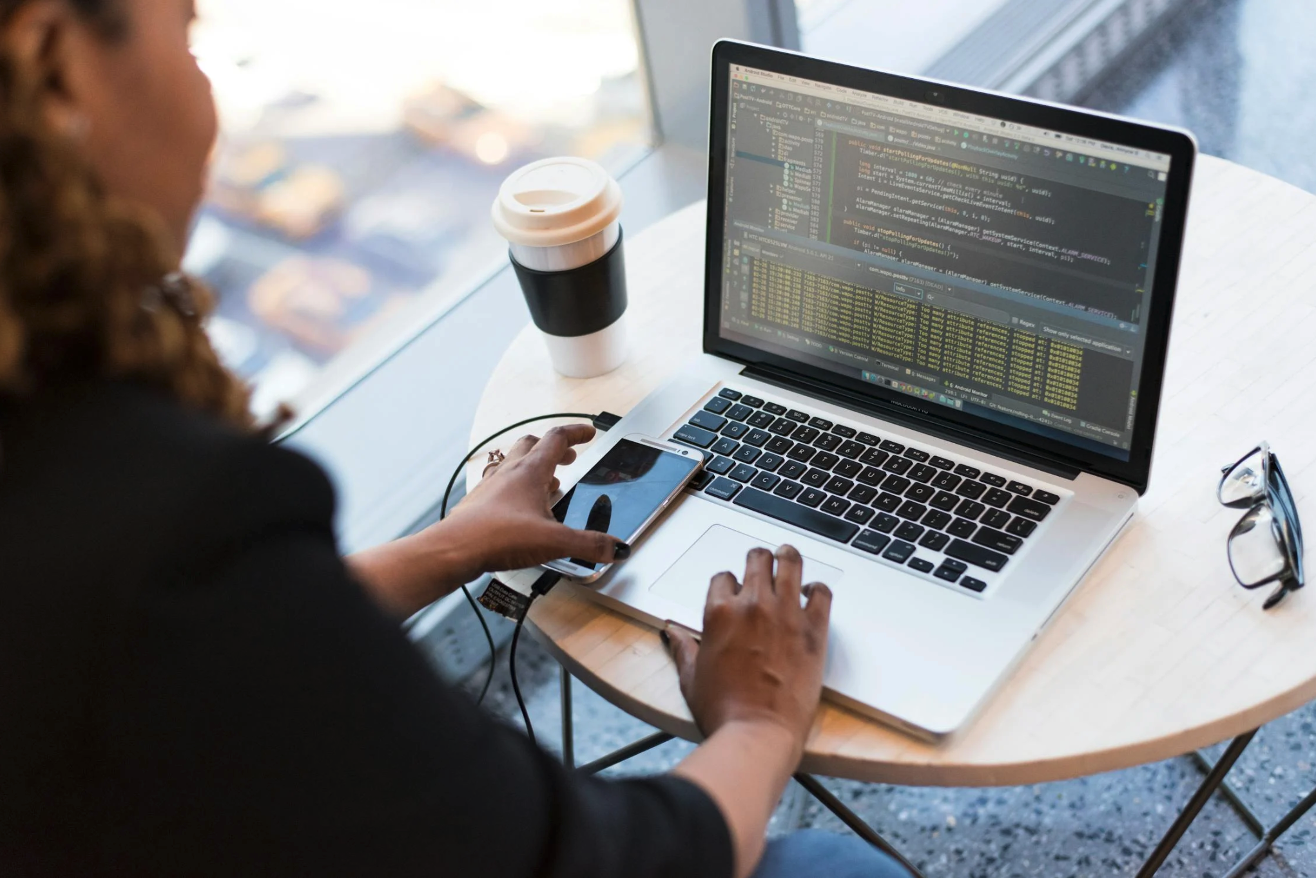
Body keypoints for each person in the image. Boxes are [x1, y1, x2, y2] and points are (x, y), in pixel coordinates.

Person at [0, 1, 911, 876]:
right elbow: (591, 859)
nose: (206, 91)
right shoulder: (167, 512)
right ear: (55, 67)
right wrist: (756, 722)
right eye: (187, 32)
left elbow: (198, 644)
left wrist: (449, 546)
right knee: (838, 867)